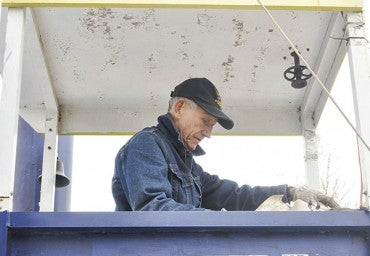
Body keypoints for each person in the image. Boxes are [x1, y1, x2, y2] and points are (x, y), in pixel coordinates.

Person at [112, 77, 339, 211]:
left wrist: (289, 192)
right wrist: (220, 220)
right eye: (205, 121)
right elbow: (153, 208)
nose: (209, 133)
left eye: (213, 125)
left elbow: (234, 195)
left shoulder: (189, 168)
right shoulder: (147, 145)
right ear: (179, 107)